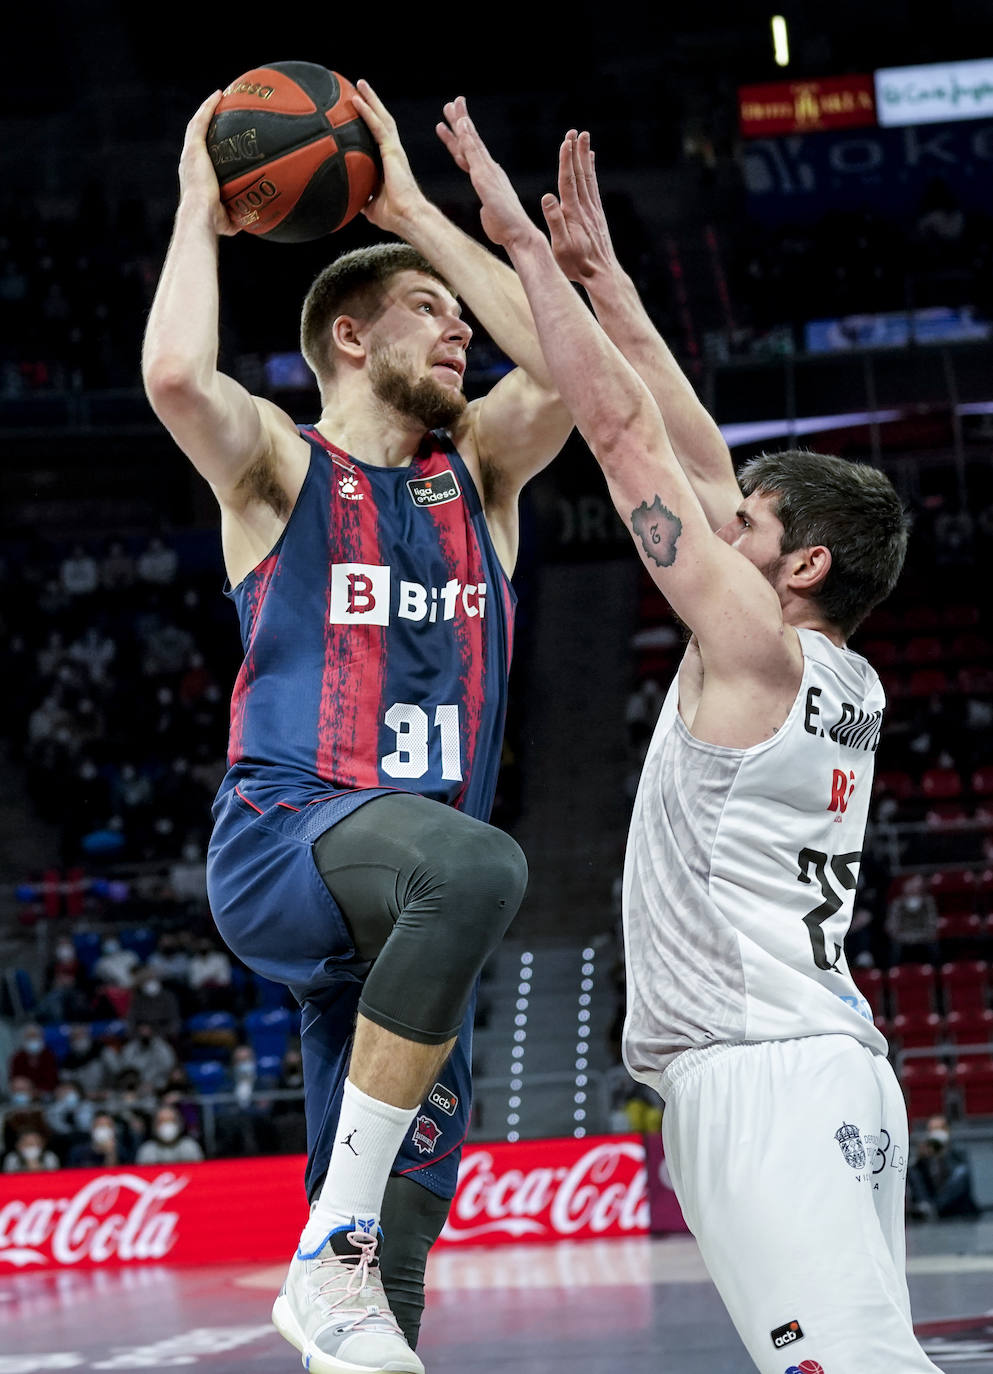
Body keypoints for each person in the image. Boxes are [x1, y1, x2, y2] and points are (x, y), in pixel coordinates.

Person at [446, 107, 941, 1372]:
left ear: (803, 565)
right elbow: (698, 450)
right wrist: (608, 280)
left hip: (765, 1076)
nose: (726, 526)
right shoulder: (838, 674)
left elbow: (625, 439)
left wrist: (523, 250)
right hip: (824, 1066)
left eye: (752, 528)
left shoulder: (755, 651)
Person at [141, 81, 571, 1374]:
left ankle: (343, 1260)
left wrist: (421, 217)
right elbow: (176, 375)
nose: (460, 331)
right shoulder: (279, 467)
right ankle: (328, 1237)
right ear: (347, 333)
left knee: (394, 1274)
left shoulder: (481, 473)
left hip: (406, 919)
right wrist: (195, 207)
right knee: (480, 864)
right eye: (430, 310)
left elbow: (568, 365)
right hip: (286, 839)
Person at [907, 1114, 981, 1220]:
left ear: (947, 1131)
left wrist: (943, 1154)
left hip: (958, 1209)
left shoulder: (958, 1153)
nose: (935, 1133)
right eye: (932, 1129)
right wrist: (922, 1158)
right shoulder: (924, 1157)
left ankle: (933, 1209)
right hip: (934, 1206)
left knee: (961, 1172)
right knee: (912, 1168)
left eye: (939, 1129)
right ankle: (929, 1208)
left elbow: (960, 1182)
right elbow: (919, 1183)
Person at [885, 872, 941, 967]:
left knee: (934, 945)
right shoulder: (897, 903)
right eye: (911, 883)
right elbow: (892, 924)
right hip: (902, 937)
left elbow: (932, 922)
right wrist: (900, 936)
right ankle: (893, 971)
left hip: (923, 936)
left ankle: (935, 971)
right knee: (894, 948)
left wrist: (924, 935)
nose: (914, 886)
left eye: (917, 884)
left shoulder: (928, 902)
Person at [135, 1103, 205, 1165]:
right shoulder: (147, 1150)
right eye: (162, 1121)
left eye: (171, 1120)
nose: (167, 1125)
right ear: (154, 1126)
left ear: (179, 1124)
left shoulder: (190, 1147)